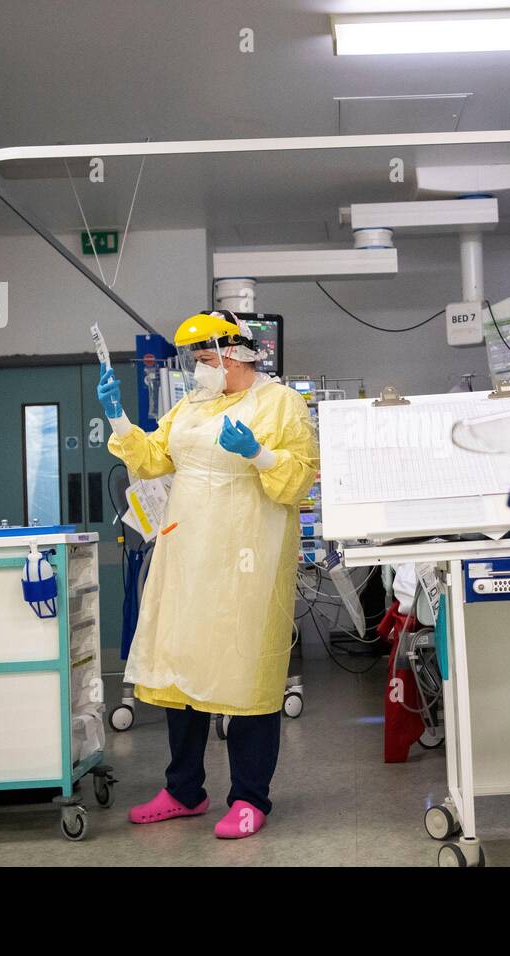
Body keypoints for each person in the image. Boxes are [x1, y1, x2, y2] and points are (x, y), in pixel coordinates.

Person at [98, 312, 318, 839]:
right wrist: (120, 420)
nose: (198, 370)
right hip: (187, 551)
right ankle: (183, 790)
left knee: (244, 671)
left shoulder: (280, 403)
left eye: (204, 359)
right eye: (194, 361)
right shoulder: (192, 404)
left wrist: (259, 454)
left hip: (248, 556)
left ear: (236, 354)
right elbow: (153, 459)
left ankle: (249, 797)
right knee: (184, 667)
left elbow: (300, 480)